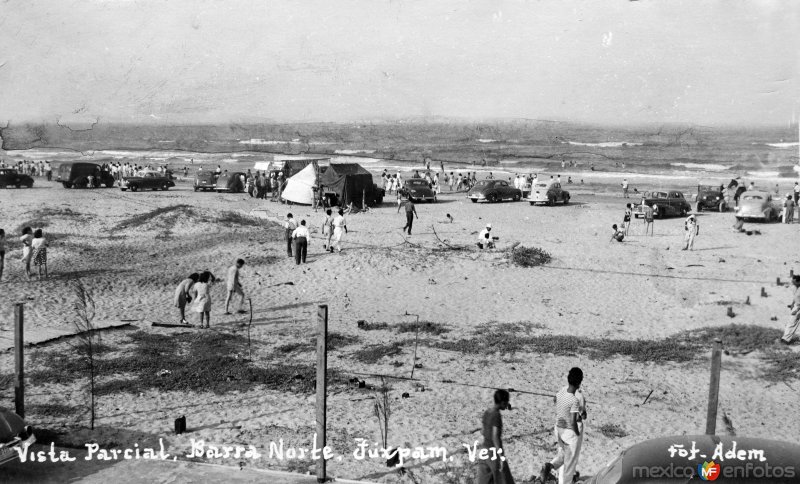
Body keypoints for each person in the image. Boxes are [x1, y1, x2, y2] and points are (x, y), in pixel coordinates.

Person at [540, 367, 585, 484]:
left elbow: (555, 399)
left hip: (559, 429)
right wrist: (577, 433)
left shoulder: (562, 390)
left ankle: (550, 466)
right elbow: (577, 418)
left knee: (563, 454)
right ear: (580, 382)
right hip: (571, 433)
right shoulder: (578, 397)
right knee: (570, 463)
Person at [476, 389, 514, 484]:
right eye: (506, 402)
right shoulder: (496, 415)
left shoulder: (487, 412)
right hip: (493, 453)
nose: (507, 405)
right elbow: (495, 437)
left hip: (483, 451)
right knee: (504, 480)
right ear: (502, 402)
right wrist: (501, 457)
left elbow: (483, 431)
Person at [780, 275, 800, 344]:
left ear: (798, 282)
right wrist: (792, 304)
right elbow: (795, 297)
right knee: (791, 322)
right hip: (796, 306)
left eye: (794, 282)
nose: (792, 283)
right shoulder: (795, 287)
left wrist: (797, 310)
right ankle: (785, 338)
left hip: (798, 308)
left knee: (792, 322)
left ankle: (786, 340)